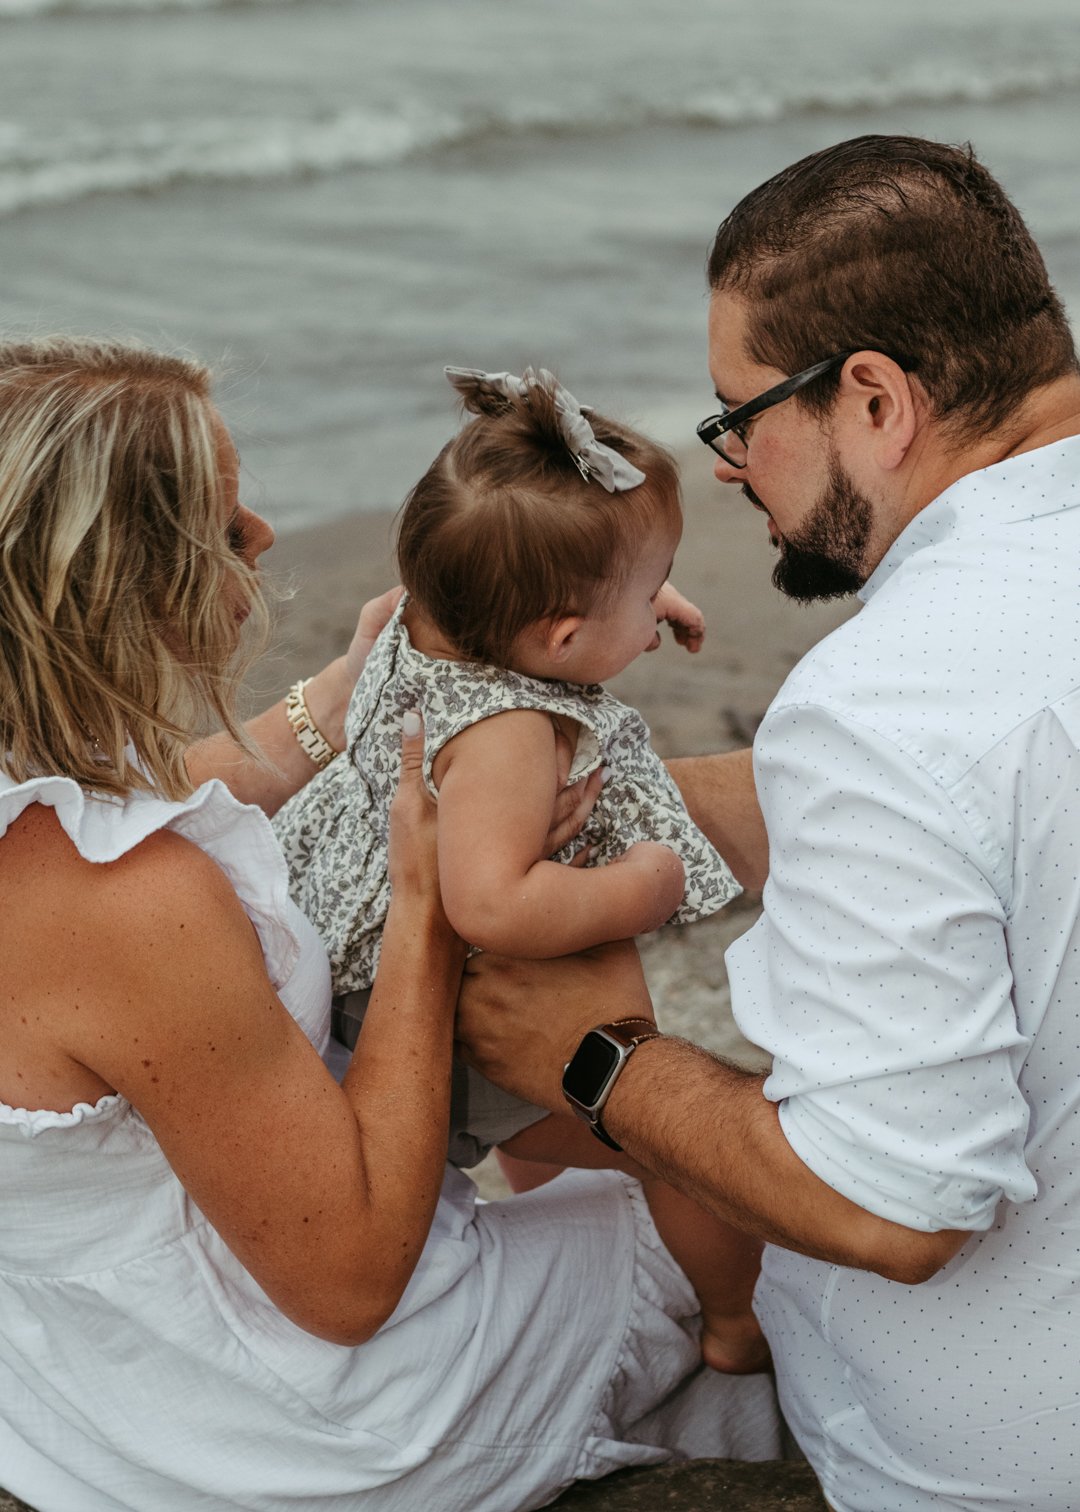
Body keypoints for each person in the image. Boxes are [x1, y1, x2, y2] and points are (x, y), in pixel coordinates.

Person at [0, 336, 783, 1512]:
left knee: (597, 1104)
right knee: (732, 1198)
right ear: (111, 580)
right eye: (222, 531)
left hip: (90, 1380)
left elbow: (161, 784)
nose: (263, 539)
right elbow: (352, 1280)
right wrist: (425, 912)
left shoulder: (42, 782)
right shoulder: (131, 905)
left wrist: (341, 696)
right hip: (289, 1424)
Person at [456, 135, 1080, 1511]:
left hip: (991, 1460)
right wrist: (613, 806)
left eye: (741, 414)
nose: (732, 463)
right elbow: (1013, 802)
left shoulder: (891, 696)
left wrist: (600, 1058)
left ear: (874, 398)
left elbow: (896, 1207)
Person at [272, 363, 767, 1375]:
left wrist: (631, 590)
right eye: (644, 596)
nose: (657, 613)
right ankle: (732, 1322)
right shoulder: (507, 735)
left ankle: (592, 1244)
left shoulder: (431, 617)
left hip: (348, 943)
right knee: (674, 1147)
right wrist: (645, 885)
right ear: (561, 635)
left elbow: (498, 570)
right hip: (436, 1012)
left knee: (544, 1131)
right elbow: (491, 904)